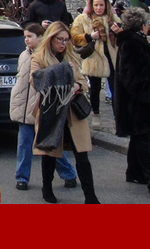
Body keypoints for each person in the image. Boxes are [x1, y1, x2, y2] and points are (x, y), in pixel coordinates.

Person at [31, 22, 100, 204]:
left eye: (66, 40)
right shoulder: (39, 57)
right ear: (50, 38)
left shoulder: (71, 56)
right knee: (50, 153)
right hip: (51, 112)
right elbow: (35, 81)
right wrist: (62, 70)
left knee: (82, 155)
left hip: (73, 112)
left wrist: (76, 86)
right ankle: (47, 188)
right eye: (60, 39)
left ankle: (90, 196)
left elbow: (83, 82)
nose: (63, 43)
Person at [10, 23, 78, 191]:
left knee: (50, 143)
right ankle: (22, 178)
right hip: (23, 107)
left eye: (30, 36)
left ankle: (69, 174)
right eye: (25, 37)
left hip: (42, 107)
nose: (26, 40)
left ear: (41, 37)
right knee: (24, 144)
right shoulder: (23, 55)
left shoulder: (46, 56)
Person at [112, 7, 150, 194]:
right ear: (141, 25)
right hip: (137, 102)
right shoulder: (131, 43)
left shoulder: (134, 41)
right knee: (142, 138)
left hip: (137, 100)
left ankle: (134, 172)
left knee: (139, 137)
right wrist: (147, 92)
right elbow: (130, 74)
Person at [70, 0, 118, 122]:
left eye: (101, 5)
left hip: (111, 57)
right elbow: (74, 37)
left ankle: (117, 119)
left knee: (115, 89)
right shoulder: (83, 19)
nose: (98, 8)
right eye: (96, 5)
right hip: (93, 57)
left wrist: (118, 32)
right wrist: (89, 36)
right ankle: (96, 114)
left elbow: (121, 37)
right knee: (95, 88)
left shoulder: (113, 18)